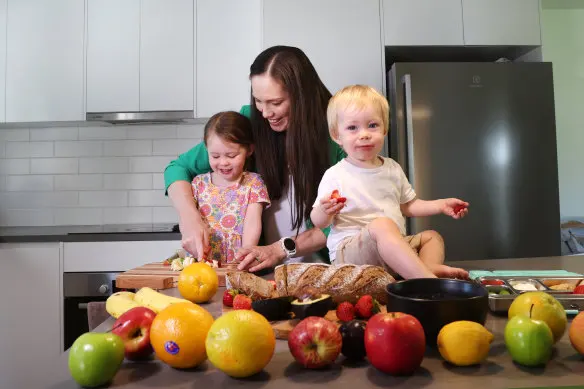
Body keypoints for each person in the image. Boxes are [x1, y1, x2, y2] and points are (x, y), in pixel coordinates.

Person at [164, 46, 346, 272]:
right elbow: (178, 168)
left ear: (302, 95)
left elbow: (343, 220)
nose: (265, 112)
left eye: (276, 103)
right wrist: (189, 218)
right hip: (262, 273)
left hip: (323, 270)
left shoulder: (337, 134)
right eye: (258, 100)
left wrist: (280, 249)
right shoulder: (249, 120)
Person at [310, 84, 470, 279]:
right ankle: (427, 281)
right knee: (382, 225)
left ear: (384, 129)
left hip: (392, 249)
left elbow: (408, 206)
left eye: (372, 125)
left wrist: (441, 205)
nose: (364, 134)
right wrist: (324, 212)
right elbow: (318, 222)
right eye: (352, 128)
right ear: (337, 136)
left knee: (432, 237)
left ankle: (428, 268)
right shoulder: (335, 174)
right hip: (350, 254)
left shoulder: (392, 168)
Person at [191, 111, 270, 266]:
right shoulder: (198, 184)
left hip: (238, 265)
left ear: (249, 150)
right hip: (202, 265)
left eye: (231, 155)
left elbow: (252, 224)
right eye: (215, 156)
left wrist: (246, 254)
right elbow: (191, 225)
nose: (223, 162)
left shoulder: (253, 183)